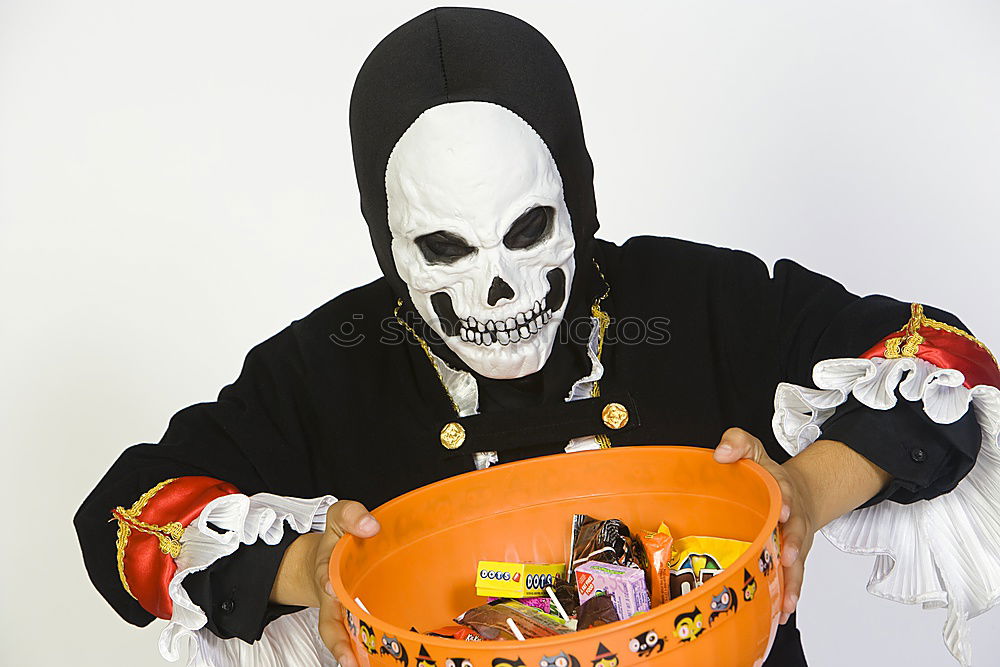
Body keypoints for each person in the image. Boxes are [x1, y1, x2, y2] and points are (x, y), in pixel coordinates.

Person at [75, 8, 1000, 667]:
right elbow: (128, 523)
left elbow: (948, 364)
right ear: (389, 244)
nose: (499, 285)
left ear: (576, 201)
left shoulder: (700, 298)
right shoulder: (329, 364)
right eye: (443, 248)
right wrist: (306, 565)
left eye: (527, 232)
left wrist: (802, 489)